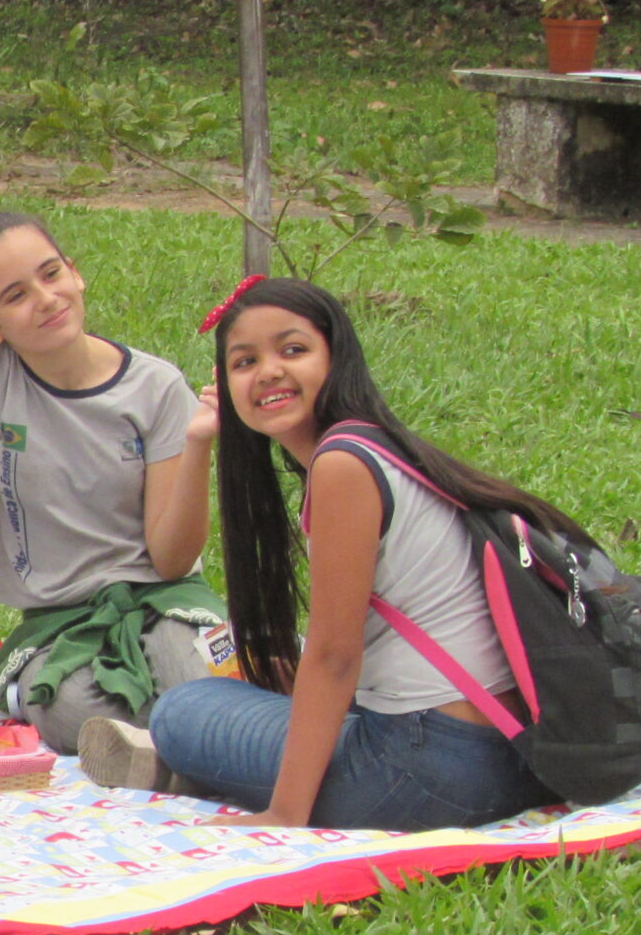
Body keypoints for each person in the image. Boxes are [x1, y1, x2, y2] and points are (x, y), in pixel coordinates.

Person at [82, 276, 559, 832]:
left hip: (429, 770)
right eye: (244, 362)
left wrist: (284, 814)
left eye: (293, 350)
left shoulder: (341, 467)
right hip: (510, 753)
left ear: (338, 357)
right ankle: (206, 770)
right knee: (259, 687)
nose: (268, 372)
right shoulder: (380, 447)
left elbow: (334, 656)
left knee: (186, 712)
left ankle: (195, 771)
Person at [0, 209, 223, 752]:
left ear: (75, 273)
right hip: (59, 621)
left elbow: (170, 560)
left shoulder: (158, 387)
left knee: (198, 681)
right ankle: (184, 749)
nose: (46, 298)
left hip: (164, 597)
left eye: (51, 275)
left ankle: (167, 748)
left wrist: (197, 446)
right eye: (16, 295)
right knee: (67, 708)